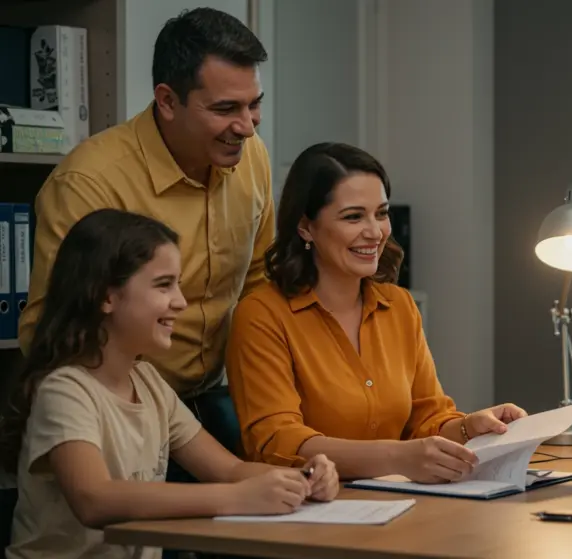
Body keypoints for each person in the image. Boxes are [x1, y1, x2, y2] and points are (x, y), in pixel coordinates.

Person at [0, 209, 339, 559]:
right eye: (164, 285)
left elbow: (229, 470)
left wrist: (301, 479)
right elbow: (94, 499)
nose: (180, 302)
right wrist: (237, 498)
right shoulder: (64, 390)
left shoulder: (147, 382)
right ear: (106, 296)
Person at [17, 7, 273, 460]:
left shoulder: (251, 158)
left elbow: (259, 284)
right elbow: (53, 331)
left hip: (214, 403)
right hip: (117, 418)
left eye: (254, 104)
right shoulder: (89, 183)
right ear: (167, 100)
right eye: (225, 109)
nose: (247, 127)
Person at [224, 142, 527, 483]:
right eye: (353, 216)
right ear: (305, 227)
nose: (375, 232)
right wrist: (397, 457)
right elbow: (275, 442)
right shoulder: (262, 315)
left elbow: (427, 420)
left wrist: (472, 427)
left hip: (399, 505)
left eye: (381, 213)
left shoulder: (399, 306)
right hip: (303, 509)